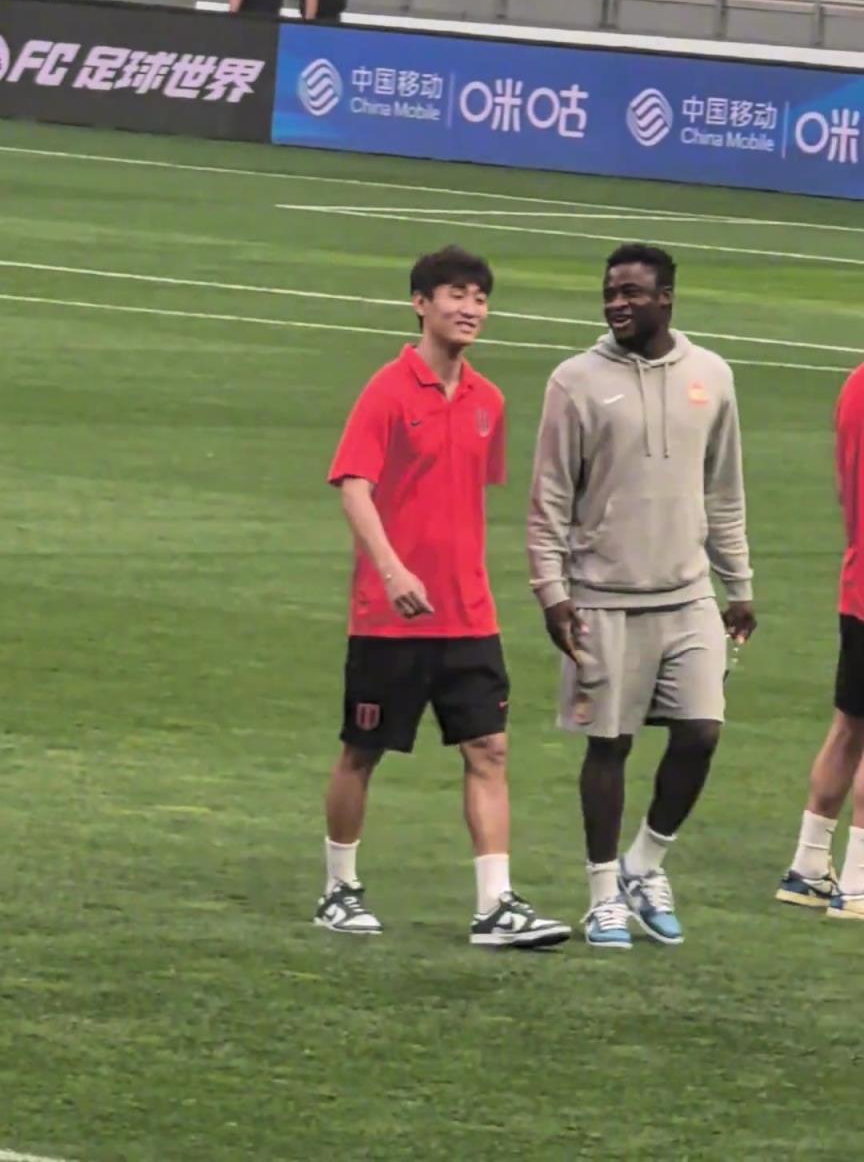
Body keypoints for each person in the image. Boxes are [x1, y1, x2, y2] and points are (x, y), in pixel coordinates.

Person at [315, 245, 571, 948]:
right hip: (389, 618)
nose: (470, 309)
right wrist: (393, 570)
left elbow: (464, 498)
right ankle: (339, 889)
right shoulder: (387, 391)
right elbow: (354, 486)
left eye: (480, 298)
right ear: (420, 303)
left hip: (469, 615)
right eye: (456, 294)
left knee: (489, 748)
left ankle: (495, 905)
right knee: (362, 750)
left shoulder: (489, 401)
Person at [527, 243, 757, 950]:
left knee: (701, 732)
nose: (617, 303)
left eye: (631, 292)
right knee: (610, 745)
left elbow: (724, 492)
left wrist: (739, 585)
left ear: (666, 299)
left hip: (688, 595)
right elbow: (549, 499)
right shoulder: (574, 382)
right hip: (602, 596)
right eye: (610, 292)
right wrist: (552, 593)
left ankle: (644, 864)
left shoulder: (712, 376)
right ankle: (602, 896)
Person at [777, 364, 864, 921]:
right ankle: (858, 883)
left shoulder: (855, 383)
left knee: (849, 725)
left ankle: (809, 867)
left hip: (857, 582)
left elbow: (841, 488)